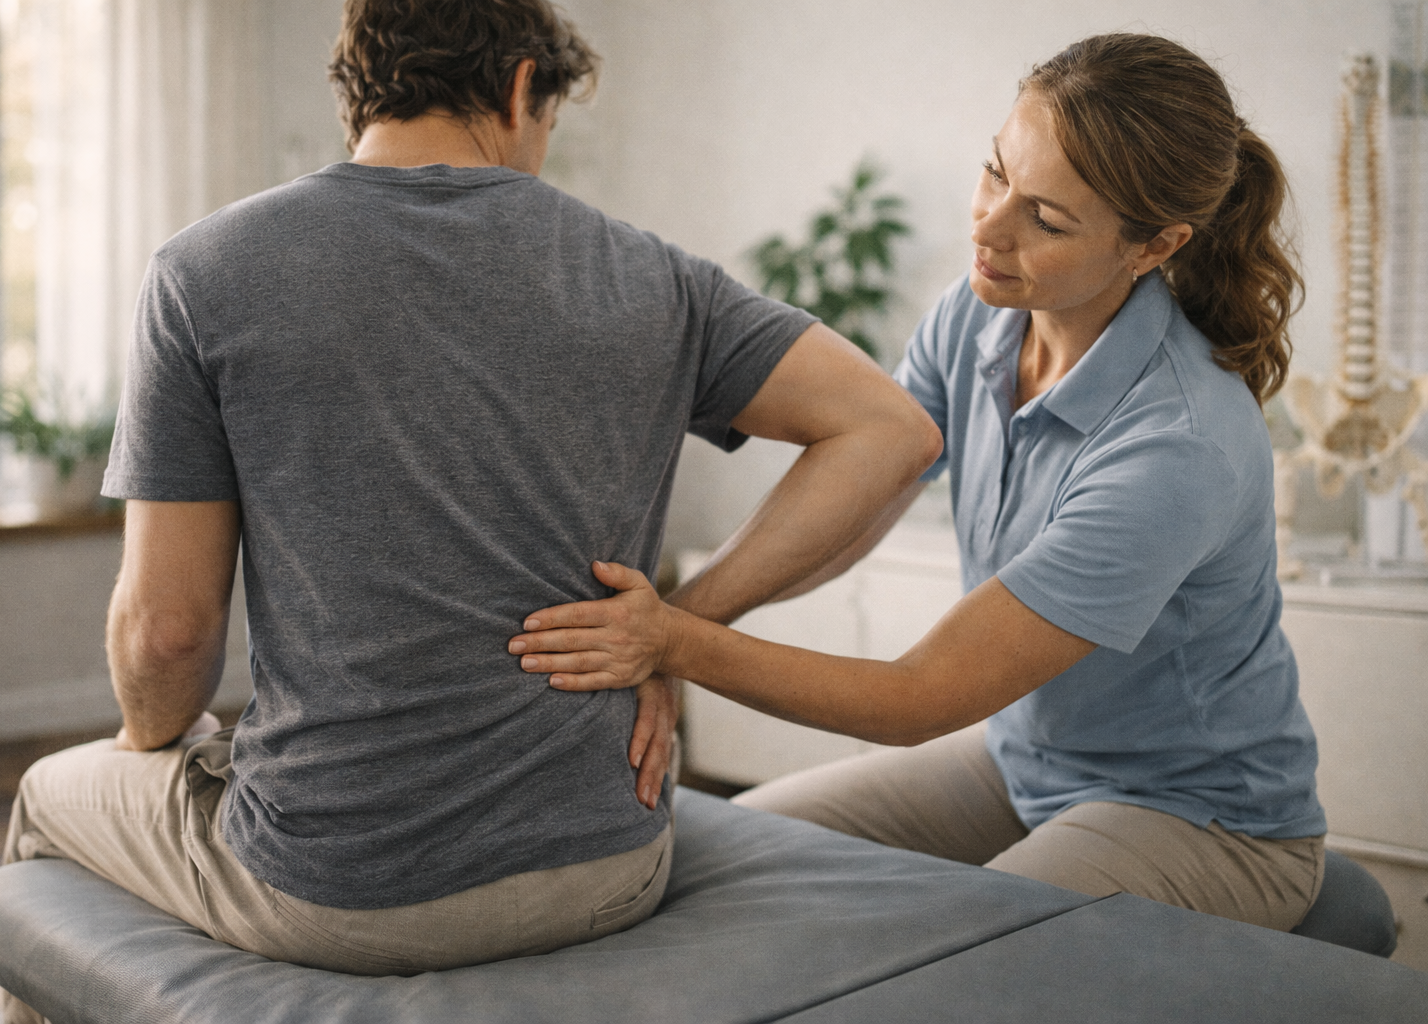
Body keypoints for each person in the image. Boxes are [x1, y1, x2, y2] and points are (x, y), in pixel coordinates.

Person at [0, 1, 940, 1019]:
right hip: (611, 867)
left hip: (337, 892)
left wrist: (153, 750)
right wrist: (681, 626)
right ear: (517, 87)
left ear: (359, 87)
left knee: (52, 793)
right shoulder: (657, 275)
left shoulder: (204, 272)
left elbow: (169, 634)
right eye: (548, 121)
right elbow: (893, 432)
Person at [509, 33, 1328, 933]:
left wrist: (672, 644)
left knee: (950, 959)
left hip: (1200, 816)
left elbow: (917, 697)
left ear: (1154, 245)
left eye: (1046, 220)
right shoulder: (978, 315)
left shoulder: (1179, 447)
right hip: (1023, 768)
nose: (986, 225)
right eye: (994, 173)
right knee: (720, 862)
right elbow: (867, 493)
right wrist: (690, 617)